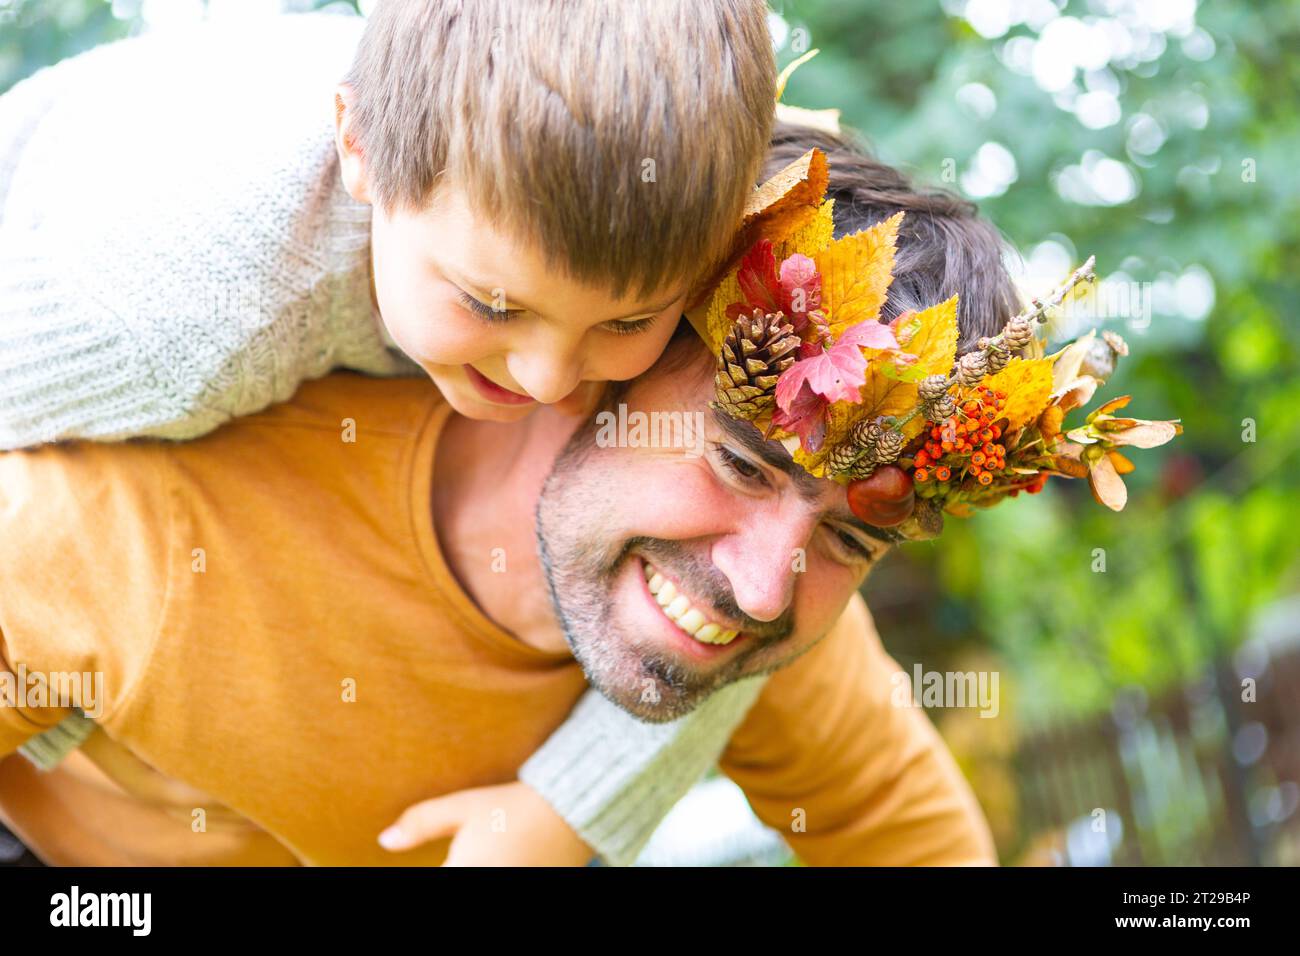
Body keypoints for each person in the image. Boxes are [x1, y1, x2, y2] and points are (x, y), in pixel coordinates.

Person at [0, 3, 786, 864]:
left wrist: (570, 804)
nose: (549, 380)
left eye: (628, 322)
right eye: (491, 305)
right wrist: (60, 706)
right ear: (359, 148)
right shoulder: (178, 318)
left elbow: (779, 551)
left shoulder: (665, 190)